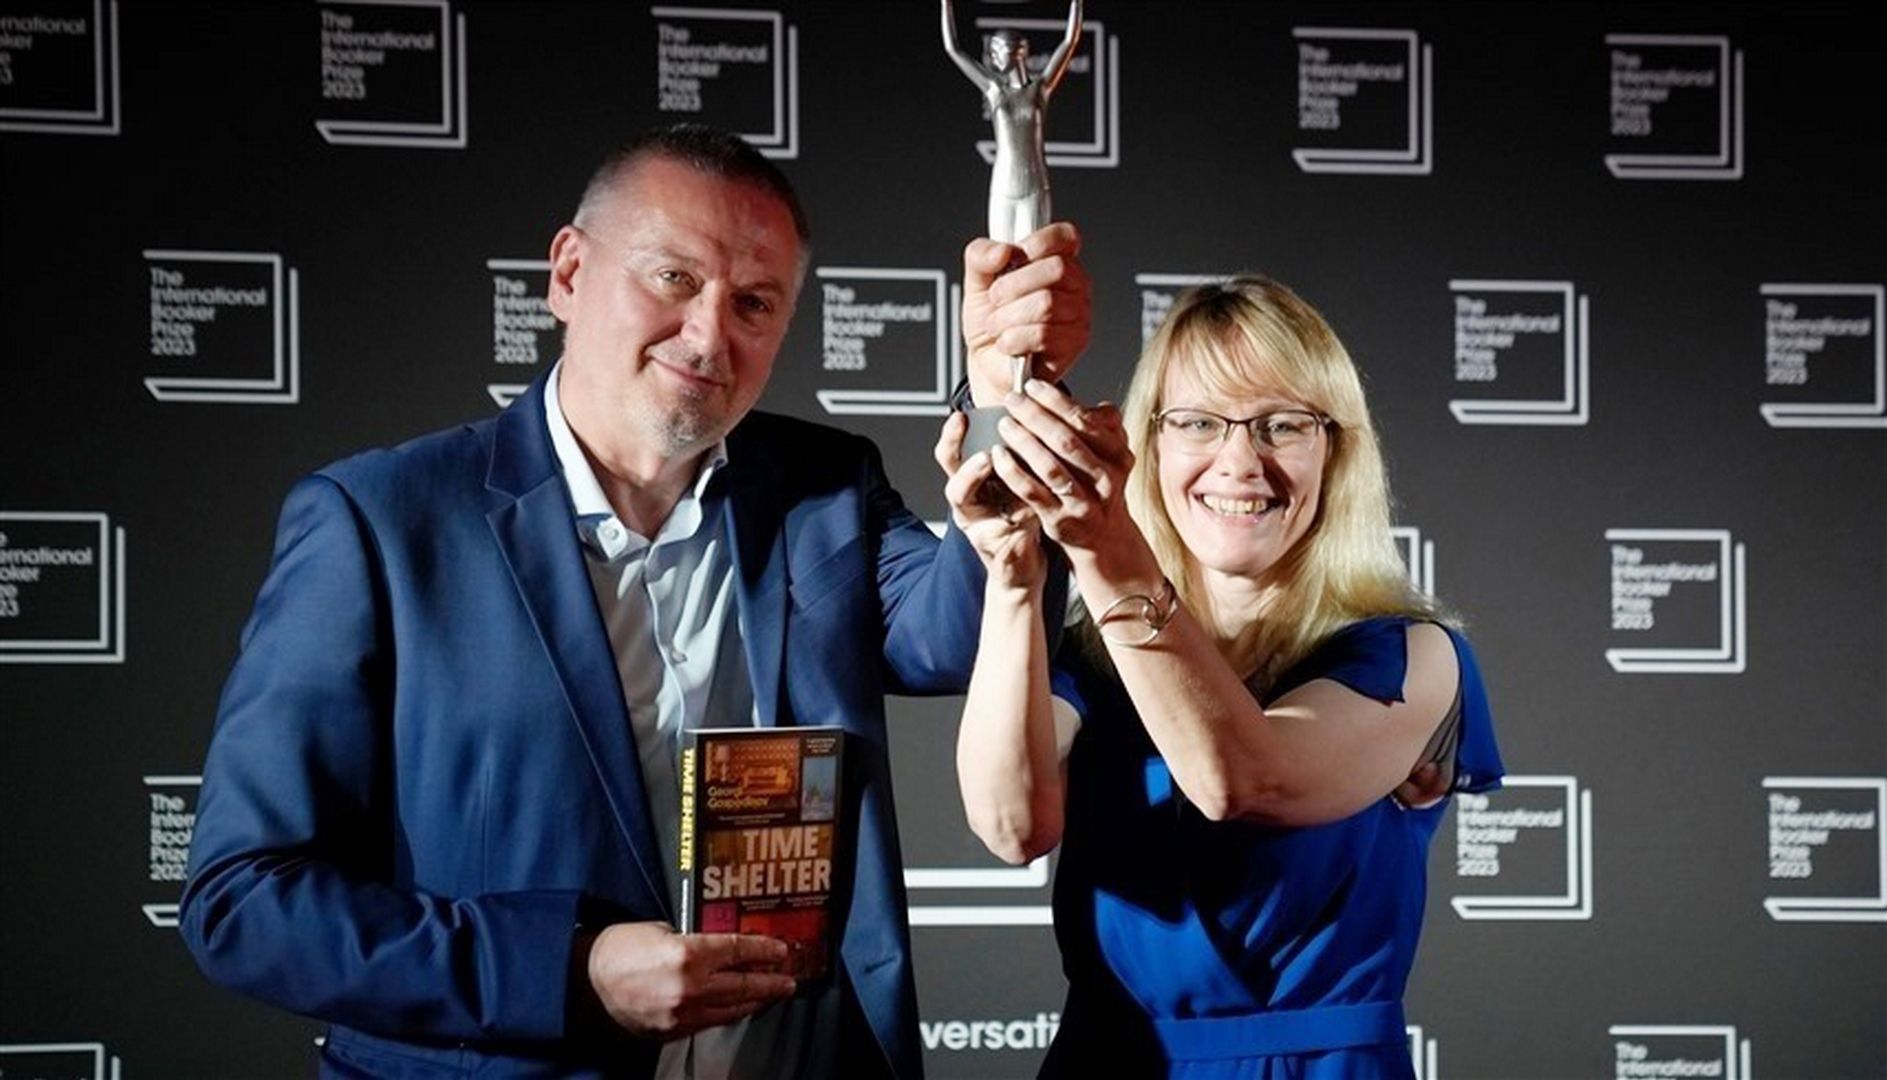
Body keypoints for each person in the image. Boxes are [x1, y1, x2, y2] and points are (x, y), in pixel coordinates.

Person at [179, 123, 1090, 1080]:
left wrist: (1004, 396)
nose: (708, 335)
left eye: (753, 303)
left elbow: (957, 636)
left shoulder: (823, 487)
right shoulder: (381, 521)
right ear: (568, 274)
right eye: (673, 279)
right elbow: (244, 901)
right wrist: (568, 972)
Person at [939, 276, 1503, 1077]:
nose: (1239, 462)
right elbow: (1010, 825)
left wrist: (1104, 547)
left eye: (1282, 425)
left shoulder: (1409, 655)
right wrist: (1012, 577)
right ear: (1150, 443)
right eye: (1198, 422)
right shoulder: (1090, 660)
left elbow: (1242, 779)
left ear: (1336, 453)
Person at [940, 0, 1083, 243]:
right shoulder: (994, 90)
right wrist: (946, 5)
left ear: (1018, 52)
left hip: (1035, 187)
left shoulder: (1040, 90)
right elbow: (953, 49)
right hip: (1003, 186)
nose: (992, 57)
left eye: (997, 50)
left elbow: (1069, 42)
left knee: (1031, 257)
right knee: (1002, 257)